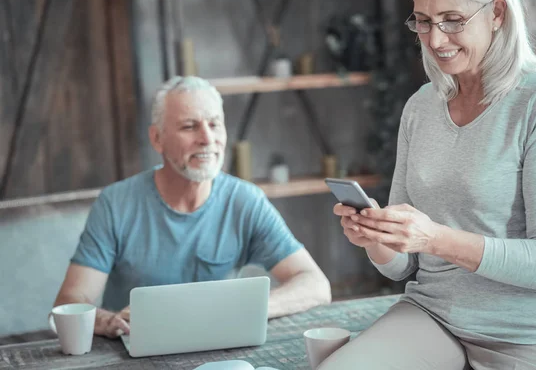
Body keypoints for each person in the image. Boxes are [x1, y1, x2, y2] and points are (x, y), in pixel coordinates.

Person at [325, 0, 536, 369]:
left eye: (453, 20)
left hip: (529, 333)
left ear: (497, 13)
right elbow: (405, 266)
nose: (435, 40)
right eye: (424, 21)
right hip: (434, 315)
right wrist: (376, 237)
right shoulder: (420, 107)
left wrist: (434, 238)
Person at [53, 76, 331, 338]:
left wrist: (247, 310)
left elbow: (315, 285)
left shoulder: (246, 201)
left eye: (215, 124)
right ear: (157, 138)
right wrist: (110, 322)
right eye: (189, 126)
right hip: (133, 351)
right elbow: (71, 301)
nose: (207, 139)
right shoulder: (115, 204)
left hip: (218, 347)